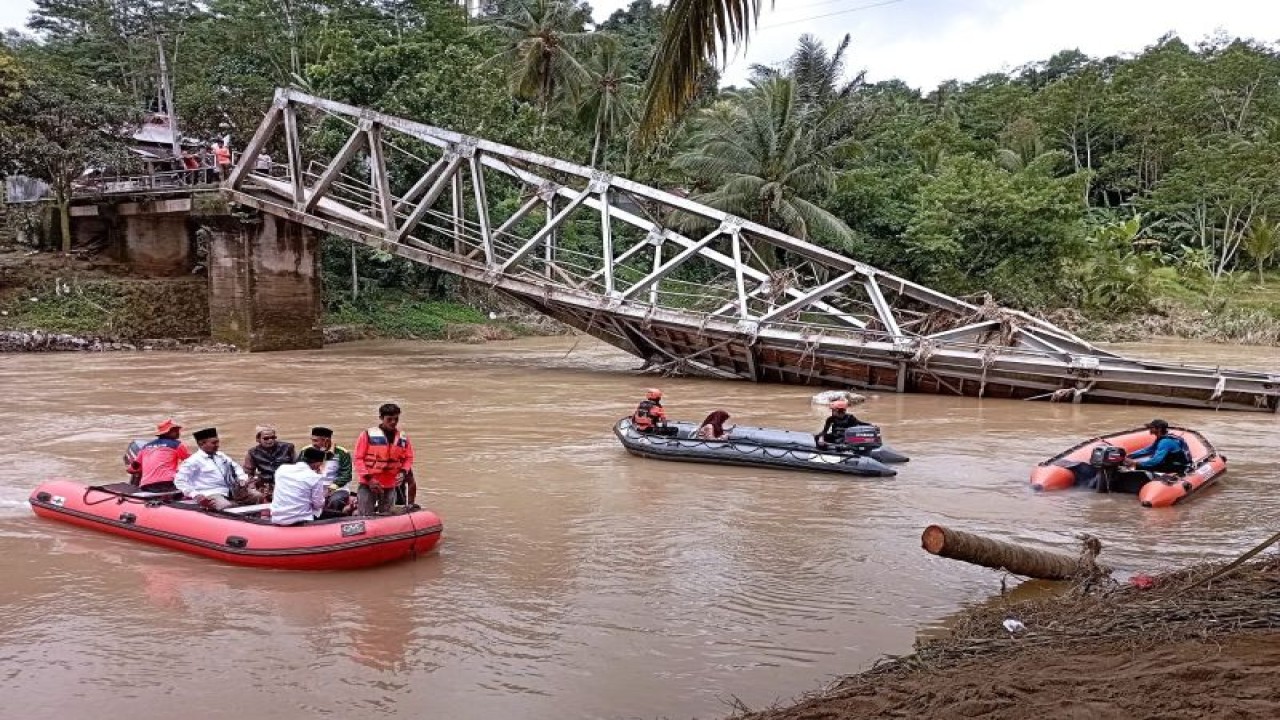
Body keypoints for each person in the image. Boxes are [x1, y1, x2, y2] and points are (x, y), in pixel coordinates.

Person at [174, 427, 264, 510]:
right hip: (210, 493)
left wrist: (242, 480)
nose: (217, 445)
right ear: (202, 443)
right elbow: (180, 481)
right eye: (214, 443)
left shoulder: (221, 456)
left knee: (257, 496)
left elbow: (237, 468)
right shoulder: (193, 461)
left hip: (232, 490)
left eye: (217, 442)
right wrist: (196, 495)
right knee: (226, 506)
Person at [353, 403, 415, 516]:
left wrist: (402, 472)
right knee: (365, 516)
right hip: (369, 483)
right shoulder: (367, 435)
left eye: (396, 419)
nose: (393, 422)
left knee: (387, 516)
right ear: (381, 418)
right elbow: (358, 458)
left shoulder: (403, 438)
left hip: (390, 484)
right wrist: (369, 479)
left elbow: (408, 458)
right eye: (389, 419)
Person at [270, 447, 330, 526]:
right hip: (300, 519)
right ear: (318, 464)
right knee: (337, 515)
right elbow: (318, 504)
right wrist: (324, 495)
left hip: (277, 517)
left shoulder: (281, 469)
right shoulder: (315, 477)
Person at [128, 418, 192, 491]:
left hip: (146, 485)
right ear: (167, 433)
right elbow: (192, 461)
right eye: (175, 431)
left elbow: (133, 468)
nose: (178, 433)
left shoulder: (145, 447)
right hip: (168, 483)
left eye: (178, 430)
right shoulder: (176, 444)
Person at [308, 426, 355, 515]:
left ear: (326, 441)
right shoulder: (306, 451)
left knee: (335, 501)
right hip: (314, 487)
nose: (313, 444)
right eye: (312, 440)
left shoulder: (342, 453)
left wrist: (331, 488)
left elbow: (346, 475)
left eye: (315, 441)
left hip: (337, 488)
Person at [1124, 419, 1192, 474]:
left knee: (1140, 466)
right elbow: (1148, 449)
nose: (1149, 429)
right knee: (1142, 462)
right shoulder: (1163, 437)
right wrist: (1130, 455)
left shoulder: (1165, 442)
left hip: (1178, 466)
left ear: (1159, 429)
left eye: (1151, 427)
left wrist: (1135, 463)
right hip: (1171, 462)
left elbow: (1155, 461)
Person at [243, 425, 296, 494]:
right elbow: (248, 473)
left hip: (288, 482)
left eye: (273, 437)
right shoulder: (253, 453)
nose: (270, 440)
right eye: (266, 438)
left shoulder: (288, 447)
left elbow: (297, 465)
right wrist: (252, 488)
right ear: (258, 439)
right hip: (266, 484)